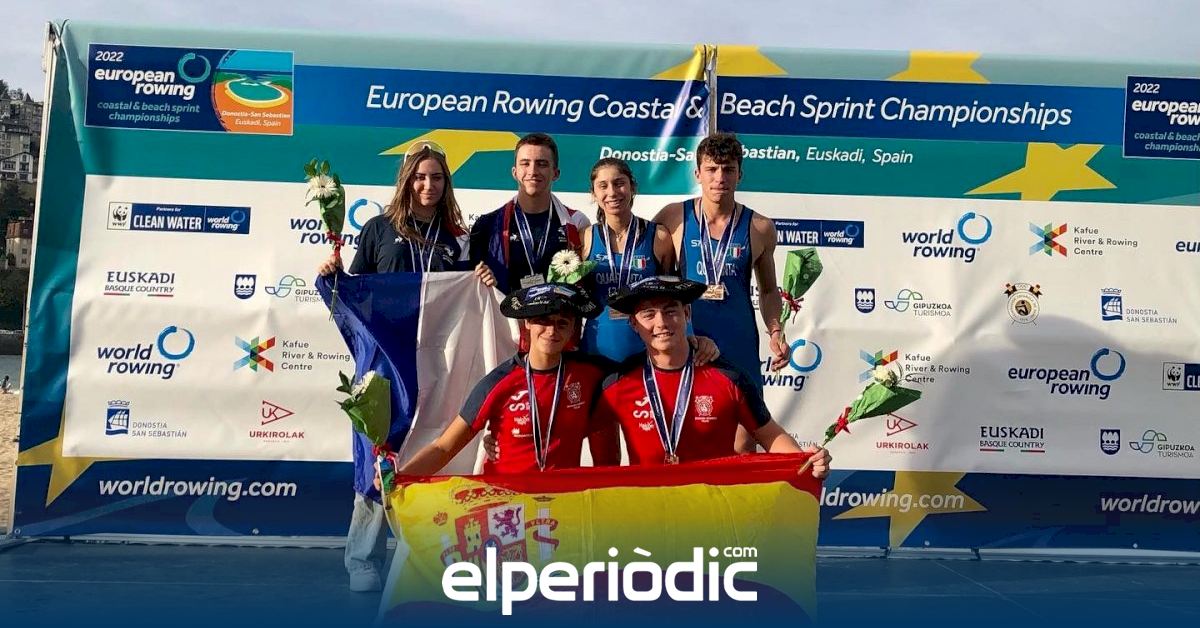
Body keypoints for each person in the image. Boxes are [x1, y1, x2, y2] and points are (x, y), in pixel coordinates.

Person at [316, 141, 493, 593]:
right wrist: (333, 274)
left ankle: (429, 551)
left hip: (437, 365)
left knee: (429, 450)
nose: (428, 185)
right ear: (406, 180)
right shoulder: (378, 229)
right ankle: (362, 559)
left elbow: (467, 304)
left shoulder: (457, 238)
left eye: (436, 177)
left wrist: (483, 280)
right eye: (420, 177)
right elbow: (357, 293)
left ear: (446, 182)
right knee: (380, 453)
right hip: (386, 364)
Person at [594, 276, 829, 477]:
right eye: (648, 314)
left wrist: (808, 461)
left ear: (687, 313)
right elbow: (577, 437)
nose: (661, 323)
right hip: (648, 509)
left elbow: (771, 436)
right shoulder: (617, 383)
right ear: (634, 324)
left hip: (714, 509)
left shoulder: (730, 377)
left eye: (670, 311)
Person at [397, 283, 617, 476]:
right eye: (543, 321)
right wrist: (399, 478)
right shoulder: (498, 382)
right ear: (528, 323)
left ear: (573, 329)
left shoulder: (591, 374)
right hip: (507, 499)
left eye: (562, 323)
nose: (552, 331)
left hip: (562, 498)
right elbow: (444, 448)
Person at [652, 133, 790, 386]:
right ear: (697, 174)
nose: (720, 178)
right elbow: (654, 283)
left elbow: (769, 290)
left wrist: (775, 331)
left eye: (728, 169)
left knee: (744, 410)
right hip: (687, 339)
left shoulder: (760, 227)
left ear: (740, 175)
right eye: (711, 169)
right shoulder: (673, 217)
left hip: (738, 338)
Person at [579, 157, 677, 362]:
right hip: (596, 350)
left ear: (633, 187)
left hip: (647, 351)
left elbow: (671, 298)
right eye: (603, 186)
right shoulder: (584, 238)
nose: (612, 192)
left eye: (619, 183)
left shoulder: (659, 237)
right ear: (593, 194)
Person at [468, 133, 590, 294]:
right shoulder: (487, 225)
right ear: (514, 172)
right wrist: (489, 285)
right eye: (525, 163)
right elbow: (473, 289)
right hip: (505, 310)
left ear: (556, 173)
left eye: (542, 164)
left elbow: (586, 286)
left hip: (557, 310)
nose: (533, 171)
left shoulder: (577, 222)